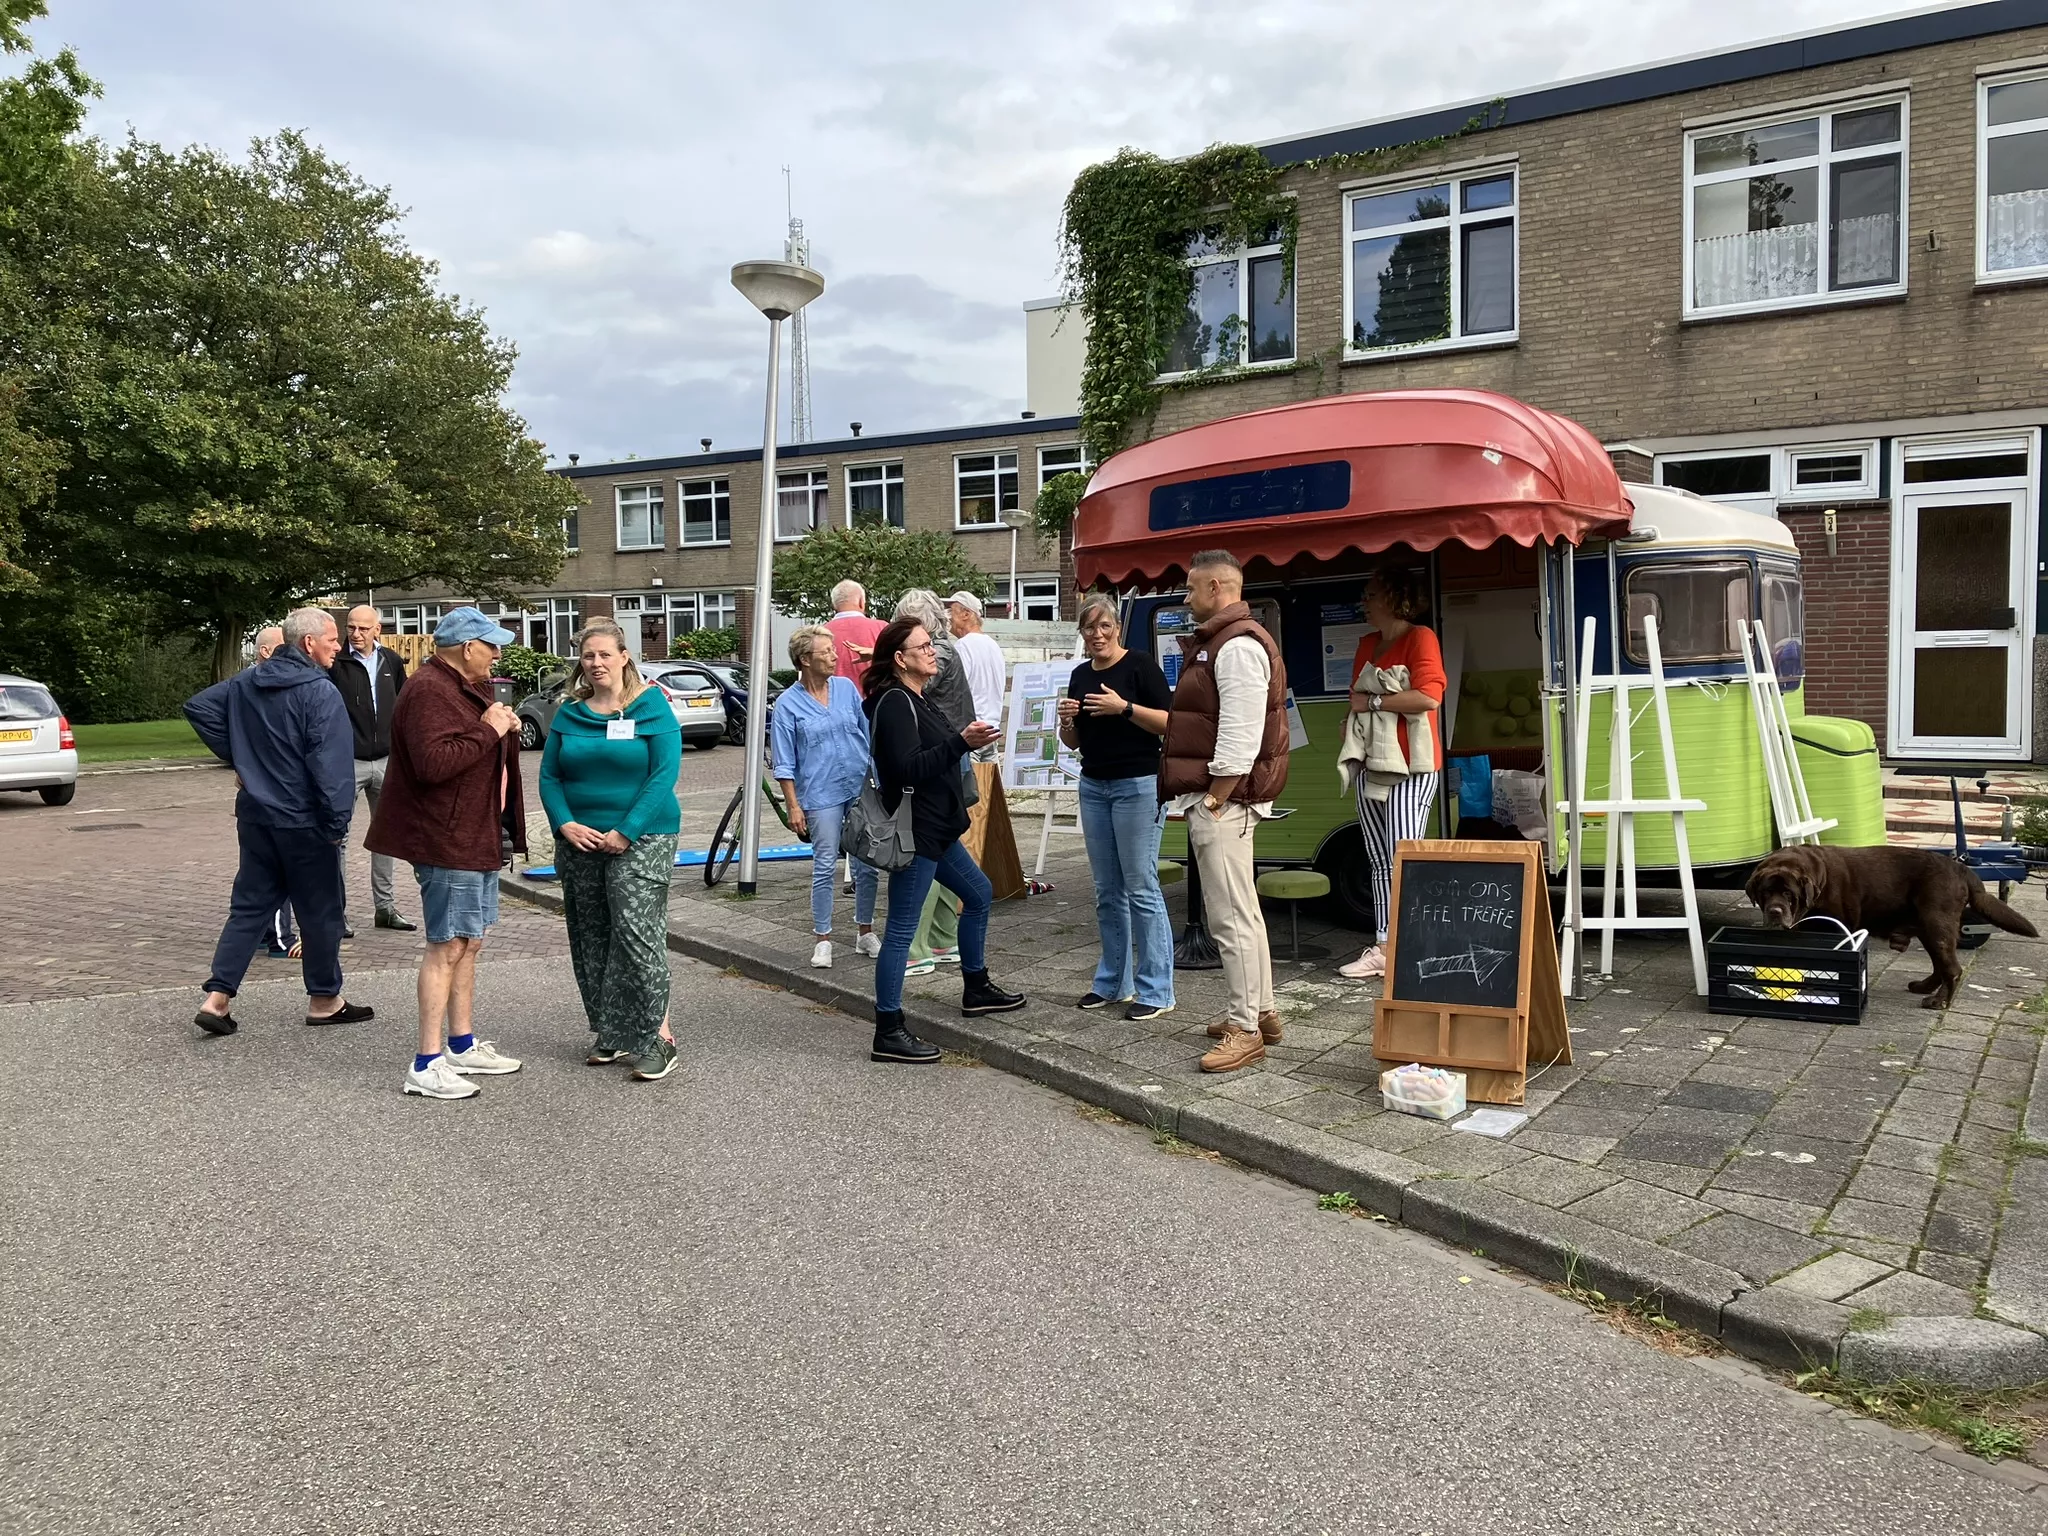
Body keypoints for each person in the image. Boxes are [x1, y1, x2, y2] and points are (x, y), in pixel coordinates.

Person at [184, 608, 370, 1036]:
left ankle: (217, 998)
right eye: (332, 638)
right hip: (305, 821)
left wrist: (242, 758)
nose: (338, 645)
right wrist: (336, 822)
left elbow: (199, 708)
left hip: (256, 816)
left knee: (249, 908)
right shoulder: (319, 692)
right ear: (308, 643)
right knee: (322, 912)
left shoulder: (249, 681)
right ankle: (325, 1000)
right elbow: (331, 766)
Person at [367, 607, 527, 1100]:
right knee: (448, 944)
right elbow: (434, 764)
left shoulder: (464, 687)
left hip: (472, 834)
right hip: (446, 837)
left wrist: (502, 728)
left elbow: (475, 747)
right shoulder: (429, 690)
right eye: (491, 645)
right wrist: (491, 730)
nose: (498, 654)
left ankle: (460, 1045)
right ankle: (426, 1062)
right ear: (465, 648)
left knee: (470, 941)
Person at [863, 616, 1024, 1064]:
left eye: (932, 644)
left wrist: (963, 742)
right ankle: (888, 1029)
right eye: (923, 646)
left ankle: (976, 987)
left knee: (979, 893)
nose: (934, 651)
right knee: (899, 931)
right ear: (900, 659)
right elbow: (905, 769)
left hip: (939, 831)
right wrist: (960, 743)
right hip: (918, 836)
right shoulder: (894, 701)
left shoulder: (917, 696)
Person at [1158, 549, 1291, 1073]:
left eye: (1191, 589)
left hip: (1226, 801)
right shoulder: (1233, 641)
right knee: (1246, 913)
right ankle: (1262, 1011)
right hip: (1232, 800)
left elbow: (1239, 733)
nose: (1186, 598)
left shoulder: (1234, 647)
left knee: (1229, 918)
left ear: (1217, 588)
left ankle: (1244, 1028)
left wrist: (1214, 798)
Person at [539, 618, 684, 1082]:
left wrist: (628, 830)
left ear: (624, 657)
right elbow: (550, 777)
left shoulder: (651, 707)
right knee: (591, 933)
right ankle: (613, 1031)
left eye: (605, 654)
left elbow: (663, 775)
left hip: (645, 836)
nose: (597, 663)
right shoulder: (570, 712)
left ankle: (659, 1036)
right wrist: (564, 824)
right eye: (588, 656)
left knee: (636, 931)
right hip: (581, 839)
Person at [1055, 596, 1175, 1022]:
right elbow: (1075, 743)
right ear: (1082, 634)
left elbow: (1170, 723)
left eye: (1104, 625)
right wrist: (1068, 722)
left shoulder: (1140, 666)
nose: (1098, 634)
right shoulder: (1079, 674)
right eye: (1089, 628)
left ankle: (1158, 989)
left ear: (1118, 627)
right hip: (1094, 785)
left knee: (1141, 886)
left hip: (1138, 786)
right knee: (1107, 891)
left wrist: (1122, 707)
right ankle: (1113, 983)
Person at [1338, 565, 1446, 981]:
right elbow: (1355, 698)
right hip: (1371, 763)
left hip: (1411, 766)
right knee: (1379, 857)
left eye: (1371, 595)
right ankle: (1384, 944)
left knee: (1405, 854)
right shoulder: (1368, 643)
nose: (1364, 603)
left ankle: (1412, 943)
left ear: (1395, 598)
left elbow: (1429, 697)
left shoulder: (1420, 637)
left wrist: (1376, 704)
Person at [772, 624, 879, 970]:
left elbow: (867, 733)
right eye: (827, 652)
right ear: (805, 659)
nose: (835, 656)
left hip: (858, 787)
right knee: (823, 866)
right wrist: (793, 805)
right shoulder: (788, 705)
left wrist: (878, 778)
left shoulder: (847, 688)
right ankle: (823, 939)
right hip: (820, 794)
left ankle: (866, 931)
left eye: (833, 651)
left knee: (867, 863)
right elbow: (785, 762)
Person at [893, 589, 978, 975]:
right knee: (945, 849)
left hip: (939, 763)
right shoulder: (948, 647)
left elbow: (920, 678)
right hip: (952, 758)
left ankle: (915, 947)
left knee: (923, 852)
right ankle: (944, 937)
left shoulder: (936, 653)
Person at [331, 604, 416, 931]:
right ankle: (336, 912)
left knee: (387, 837)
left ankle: (386, 908)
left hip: (386, 760)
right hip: (347, 762)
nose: (356, 634)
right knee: (339, 837)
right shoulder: (336, 663)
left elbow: (404, 706)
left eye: (363, 628)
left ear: (377, 629)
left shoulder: (391, 661)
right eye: (351, 627)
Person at [249, 625, 300, 961]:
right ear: (266, 651)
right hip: (278, 796)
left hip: (258, 794)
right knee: (281, 870)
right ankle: (279, 938)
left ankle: (258, 932)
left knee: (259, 871)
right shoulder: (264, 685)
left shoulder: (247, 686)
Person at [945, 591, 1007, 759]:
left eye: (952, 611)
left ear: (966, 614)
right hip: (991, 730)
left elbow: (955, 690)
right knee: (987, 784)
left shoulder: (963, 646)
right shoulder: (993, 645)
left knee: (969, 784)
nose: (948, 617)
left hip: (971, 732)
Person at [825, 579, 886, 688]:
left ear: (834, 605)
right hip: (876, 701)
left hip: (832, 702)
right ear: (861, 602)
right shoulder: (883, 629)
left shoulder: (819, 635)